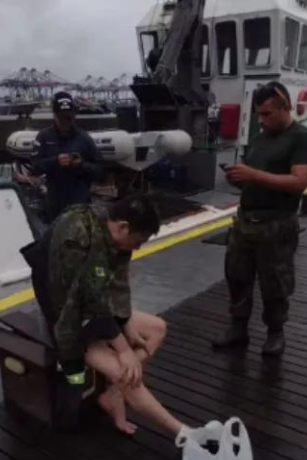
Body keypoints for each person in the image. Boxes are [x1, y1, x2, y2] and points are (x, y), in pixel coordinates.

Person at [21, 194, 186, 437]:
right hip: (65, 316)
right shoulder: (75, 230)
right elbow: (86, 300)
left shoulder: (117, 239)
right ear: (124, 227)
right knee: (123, 370)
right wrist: (123, 349)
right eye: (139, 240)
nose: (139, 247)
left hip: (95, 310)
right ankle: (184, 433)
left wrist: (127, 326)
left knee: (157, 329)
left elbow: (117, 288)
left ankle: (113, 396)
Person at [212, 81, 307, 356]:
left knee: (275, 283)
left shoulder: (303, 138)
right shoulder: (259, 140)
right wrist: (239, 178)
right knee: (237, 277)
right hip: (246, 221)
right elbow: (254, 181)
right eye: (259, 114)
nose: (261, 120)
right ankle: (238, 328)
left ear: (286, 108)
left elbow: (299, 182)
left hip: (277, 224)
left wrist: (253, 175)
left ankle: (275, 333)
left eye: (267, 114)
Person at [31, 91, 102, 223]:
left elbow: (100, 170)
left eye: (69, 118)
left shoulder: (84, 138)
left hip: (78, 201)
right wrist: (55, 162)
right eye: (61, 118)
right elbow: (35, 167)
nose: (65, 122)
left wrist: (81, 165)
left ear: (74, 116)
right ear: (54, 116)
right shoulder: (44, 137)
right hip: (54, 200)